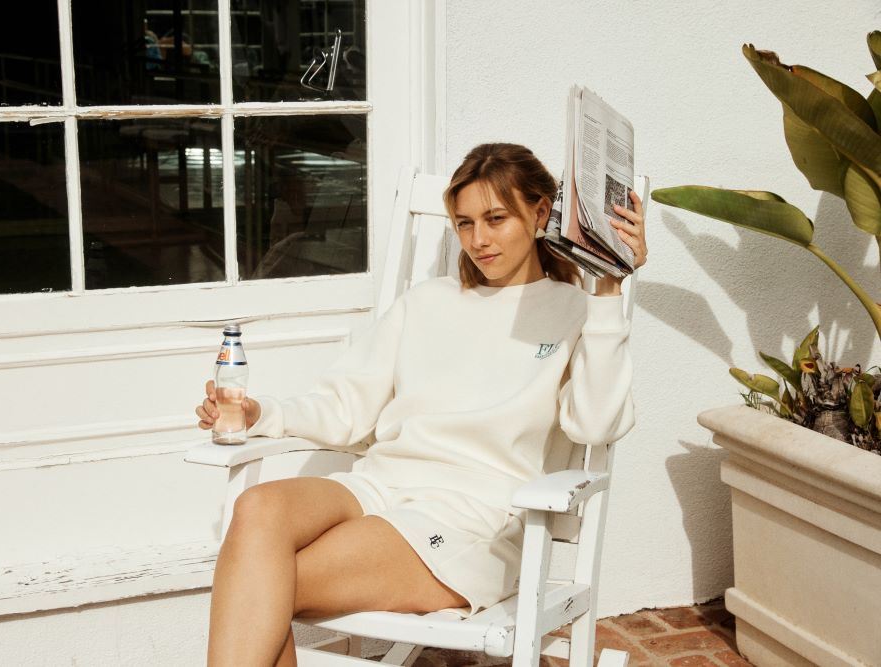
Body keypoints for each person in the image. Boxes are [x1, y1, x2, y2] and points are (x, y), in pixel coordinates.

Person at [195, 142, 647, 667]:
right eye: (465, 223)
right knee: (257, 509)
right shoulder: (426, 302)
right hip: (378, 487)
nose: (479, 240)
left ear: (540, 212)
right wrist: (261, 414)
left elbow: (596, 423)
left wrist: (609, 287)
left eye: (496, 219)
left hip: (473, 519)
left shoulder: (577, 310)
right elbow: (344, 406)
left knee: (258, 584)